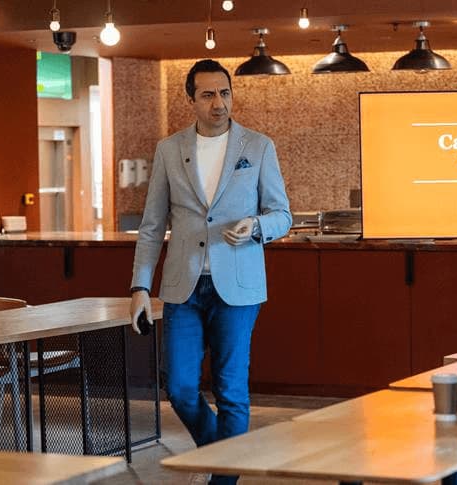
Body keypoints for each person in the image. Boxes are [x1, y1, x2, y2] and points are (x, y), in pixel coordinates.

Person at [129, 59, 291, 484]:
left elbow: (282, 215)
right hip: (183, 286)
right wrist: (140, 287)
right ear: (191, 100)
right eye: (208, 95)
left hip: (238, 287)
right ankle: (221, 455)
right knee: (180, 387)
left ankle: (223, 480)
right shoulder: (169, 149)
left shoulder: (258, 147)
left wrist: (256, 227)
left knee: (232, 391)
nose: (219, 103)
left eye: (225, 93)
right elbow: (151, 225)